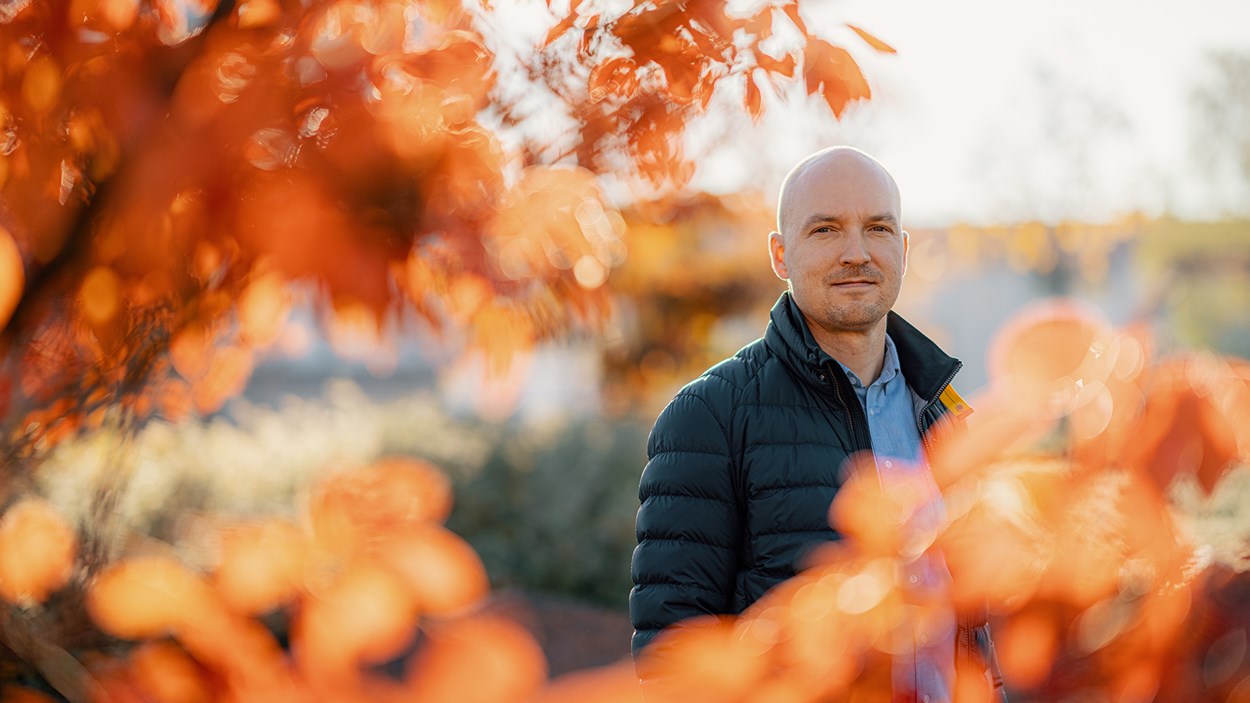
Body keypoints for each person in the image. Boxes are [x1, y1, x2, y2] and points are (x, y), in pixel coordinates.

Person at [629, 147, 1006, 702]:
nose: (856, 253)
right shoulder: (708, 417)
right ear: (781, 255)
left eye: (877, 228)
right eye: (826, 229)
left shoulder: (945, 413)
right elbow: (674, 660)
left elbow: (974, 620)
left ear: (901, 250)